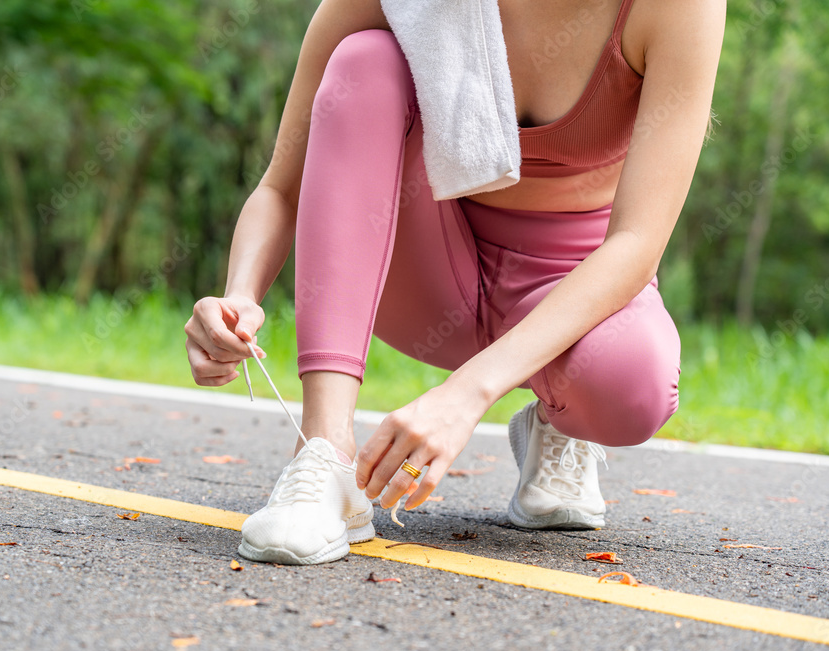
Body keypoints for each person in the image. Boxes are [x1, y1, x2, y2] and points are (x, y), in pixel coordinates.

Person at [184, 0, 725, 565]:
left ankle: (556, 421)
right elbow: (281, 188)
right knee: (365, 59)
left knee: (633, 385)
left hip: (563, 292)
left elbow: (636, 243)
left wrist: (466, 395)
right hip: (425, 269)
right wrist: (239, 294)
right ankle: (324, 456)